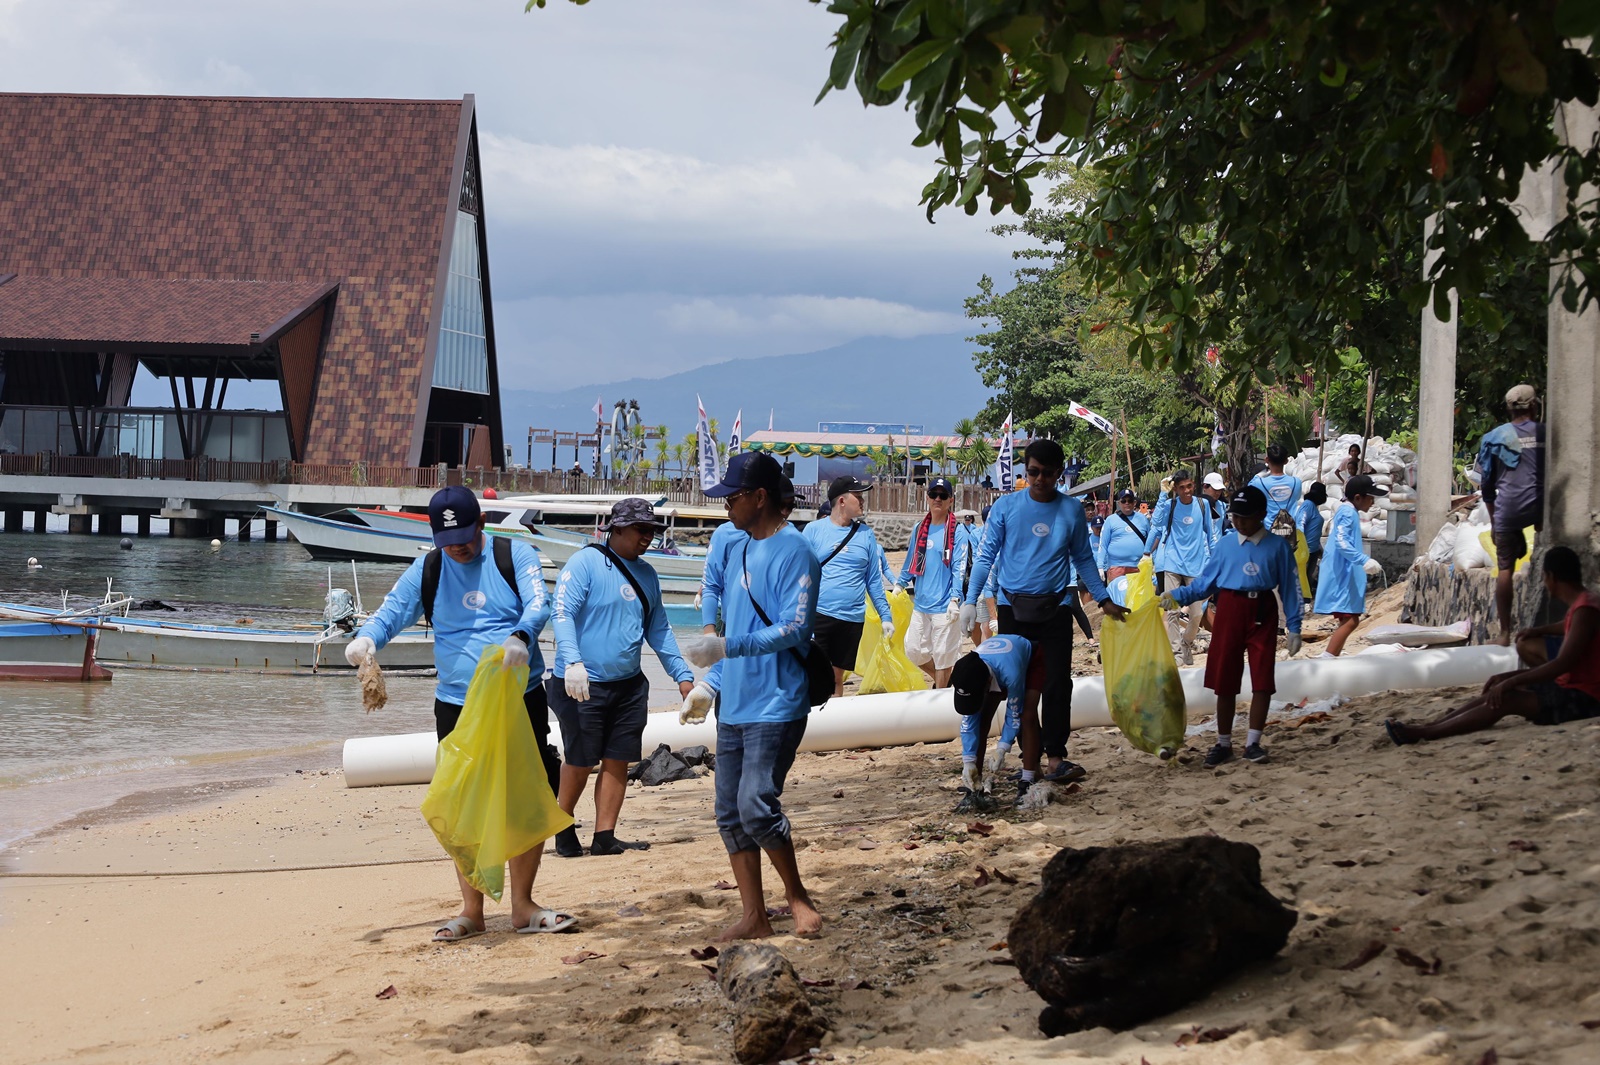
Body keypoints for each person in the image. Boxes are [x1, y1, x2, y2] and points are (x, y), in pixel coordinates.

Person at [346, 487, 572, 941]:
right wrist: (368, 639)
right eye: (447, 540)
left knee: (523, 795)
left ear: (482, 524)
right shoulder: (428, 567)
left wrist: (522, 636)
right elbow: (392, 612)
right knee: (464, 800)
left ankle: (523, 906)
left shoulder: (515, 555)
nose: (458, 547)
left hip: (516, 697)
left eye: (465, 536)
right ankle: (472, 911)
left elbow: (538, 603)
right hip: (456, 705)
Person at [677, 452, 822, 940]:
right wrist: (710, 681)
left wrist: (726, 646)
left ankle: (797, 896)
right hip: (735, 700)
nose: (726, 508)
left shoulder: (795, 551)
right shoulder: (737, 545)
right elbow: (724, 605)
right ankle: (754, 915)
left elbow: (795, 629)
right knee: (729, 811)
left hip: (777, 701)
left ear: (761, 498)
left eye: (733, 498)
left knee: (756, 803)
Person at [961, 439, 1126, 787]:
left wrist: (1103, 598)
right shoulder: (1006, 508)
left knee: (1056, 685)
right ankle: (1028, 759)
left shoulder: (1071, 511)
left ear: (1058, 474)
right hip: (1011, 609)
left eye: (1047, 474)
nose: (1039, 480)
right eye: (1033, 472)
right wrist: (969, 600)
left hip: (1055, 609)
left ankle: (1055, 757)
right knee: (1013, 688)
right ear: (1025, 471)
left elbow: (1084, 558)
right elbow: (986, 556)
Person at [548, 498, 696, 858]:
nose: (648, 537)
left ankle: (604, 835)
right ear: (616, 529)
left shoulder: (647, 574)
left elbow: (658, 629)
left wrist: (683, 677)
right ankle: (562, 827)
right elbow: (562, 612)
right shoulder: (585, 562)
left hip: (629, 685)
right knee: (581, 759)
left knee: (618, 759)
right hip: (580, 682)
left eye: (652, 531)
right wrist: (573, 662)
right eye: (641, 530)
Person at [1386, 546, 1600, 744]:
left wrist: (1510, 680)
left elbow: (1562, 663)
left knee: (1505, 698)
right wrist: (1506, 678)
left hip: (1585, 697)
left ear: (1551, 577)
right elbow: (1568, 633)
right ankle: (1433, 725)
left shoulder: (1585, 610)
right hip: (1574, 686)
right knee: (1500, 689)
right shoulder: (1584, 603)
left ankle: (1427, 733)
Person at [1162, 485, 1302, 765]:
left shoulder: (1277, 547)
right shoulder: (1226, 545)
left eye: (1246, 517)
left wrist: (1295, 625)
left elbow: (1289, 587)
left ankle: (1253, 743)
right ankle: (1223, 743)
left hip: (1262, 610)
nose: (1240, 522)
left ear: (1262, 514)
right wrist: (1176, 596)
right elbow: (1206, 583)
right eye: (1236, 517)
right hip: (1229, 609)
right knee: (1225, 679)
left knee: (1263, 679)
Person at [802, 474, 894, 697]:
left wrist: (886, 617)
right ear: (842, 501)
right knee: (812, 675)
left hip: (851, 619)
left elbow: (873, 580)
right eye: (858, 496)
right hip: (819, 615)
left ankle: (833, 727)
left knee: (836, 678)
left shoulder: (866, 535)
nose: (862, 500)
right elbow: (799, 576)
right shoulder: (813, 531)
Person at [1477, 384, 1546, 646]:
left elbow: (1487, 486)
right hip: (1541, 506)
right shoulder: (1546, 432)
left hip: (1508, 508)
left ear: (1508, 408)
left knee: (1504, 568)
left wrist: (1495, 523)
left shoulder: (1495, 437)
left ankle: (1505, 633)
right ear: (1534, 406)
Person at [951, 635, 1044, 807]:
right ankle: (974, 782)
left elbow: (1014, 712)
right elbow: (969, 721)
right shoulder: (970, 672)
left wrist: (1002, 747)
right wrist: (968, 760)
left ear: (987, 685)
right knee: (981, 718)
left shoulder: (1012, 674)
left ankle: (1028, 779)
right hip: (994, 668)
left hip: (1031, 660)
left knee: (1027, 716)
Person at [896, 478, 969, 687]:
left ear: (950, 500)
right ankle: (946, 683)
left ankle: (939, 694)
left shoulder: (957, 531)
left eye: (943, 495)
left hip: (945, 605)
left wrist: (955, 598)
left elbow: (959, 567)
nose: (938, 499)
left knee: (942, 655)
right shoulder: (920, 528)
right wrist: (901, 584)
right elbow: (911, 559)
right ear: (927, 498)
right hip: (921, 603)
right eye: (934, 495)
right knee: (913, 650)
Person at [1146, 470, 1217, 666]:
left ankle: (1186, 643)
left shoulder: (1202, 506)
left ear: (1193, 485)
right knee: (1172, 611)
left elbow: (1210, 536)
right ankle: (1175, 653)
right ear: (1175, 489)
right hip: (1172, 564)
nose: (1186, 491)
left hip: (1196, 566)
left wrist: (1216, 562)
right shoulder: (1170, 505)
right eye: (1181, 488)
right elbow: (1157, 522)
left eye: (1189, 486)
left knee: (1196, 613)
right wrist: (1162, 494)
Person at [1312, 474, 1385, 656]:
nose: (1373, 502)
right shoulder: (1347, 513)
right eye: (1371, 497)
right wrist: (1363, 560)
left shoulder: (1348, 512)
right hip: (1341, 573)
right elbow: (1342, 542)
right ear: (1358, 498)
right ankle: (1328, 657)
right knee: (1351, 619)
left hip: (1343, 572)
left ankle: (1332, 654)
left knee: (1347, 618)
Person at [1097, 488, 1150, 580]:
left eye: (1129, 501)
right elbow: (1103, 544)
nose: (1127, 503)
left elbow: (1151, 541)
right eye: (1123, 501)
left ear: (1134, 503)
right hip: (1116, 567)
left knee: (1137, 594)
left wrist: (1154, 563)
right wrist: (1100, 566)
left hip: (1139, 567)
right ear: (1119, 503)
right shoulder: (1110, 520)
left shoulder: (1143, 519)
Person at [1249, 444, 1303, 531]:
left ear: (1267, 460)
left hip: (1269, 532)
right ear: (1286, 461)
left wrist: (1261, 474)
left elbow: (1248, 489)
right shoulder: (1296, 482)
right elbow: (1297, 497)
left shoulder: (1259, 483)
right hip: (1290, 531)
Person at [1294, 482, 1327, 598]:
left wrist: (1319, 548)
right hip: (1306, 550)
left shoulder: (1313, 507)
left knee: (1308, 577)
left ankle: (1305, 600)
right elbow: (1300, 524)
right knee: (1303, 578)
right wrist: (1301, 545)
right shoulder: (1307, 505)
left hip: (1313, 550)